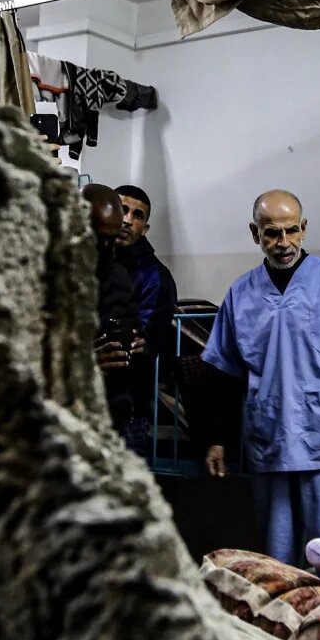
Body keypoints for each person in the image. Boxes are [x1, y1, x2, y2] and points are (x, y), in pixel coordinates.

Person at [202, 191, 320, 564]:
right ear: (255, 233)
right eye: (271, 233)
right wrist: (217, 440)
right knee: (277, 565)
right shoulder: (241, 293)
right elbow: (224, 374)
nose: (283, 242)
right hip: (270, 442)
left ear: (304, 229)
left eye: (291, 231)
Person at [113, 184, 179, 452]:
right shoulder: (82, 259)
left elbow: (148, 337)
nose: (127, 219)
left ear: (145, 228)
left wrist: (143, 340)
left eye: (137, 215)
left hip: (125, 404)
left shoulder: (156, 277)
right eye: (121, 209)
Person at [84, 182, 142, 447]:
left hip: (113, 408)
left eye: (112, 238)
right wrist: (86, 361)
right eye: (99, 237)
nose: (106, 246)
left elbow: (133, 323)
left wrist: (140, 342)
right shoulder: (48, 273)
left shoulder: (118, 275)